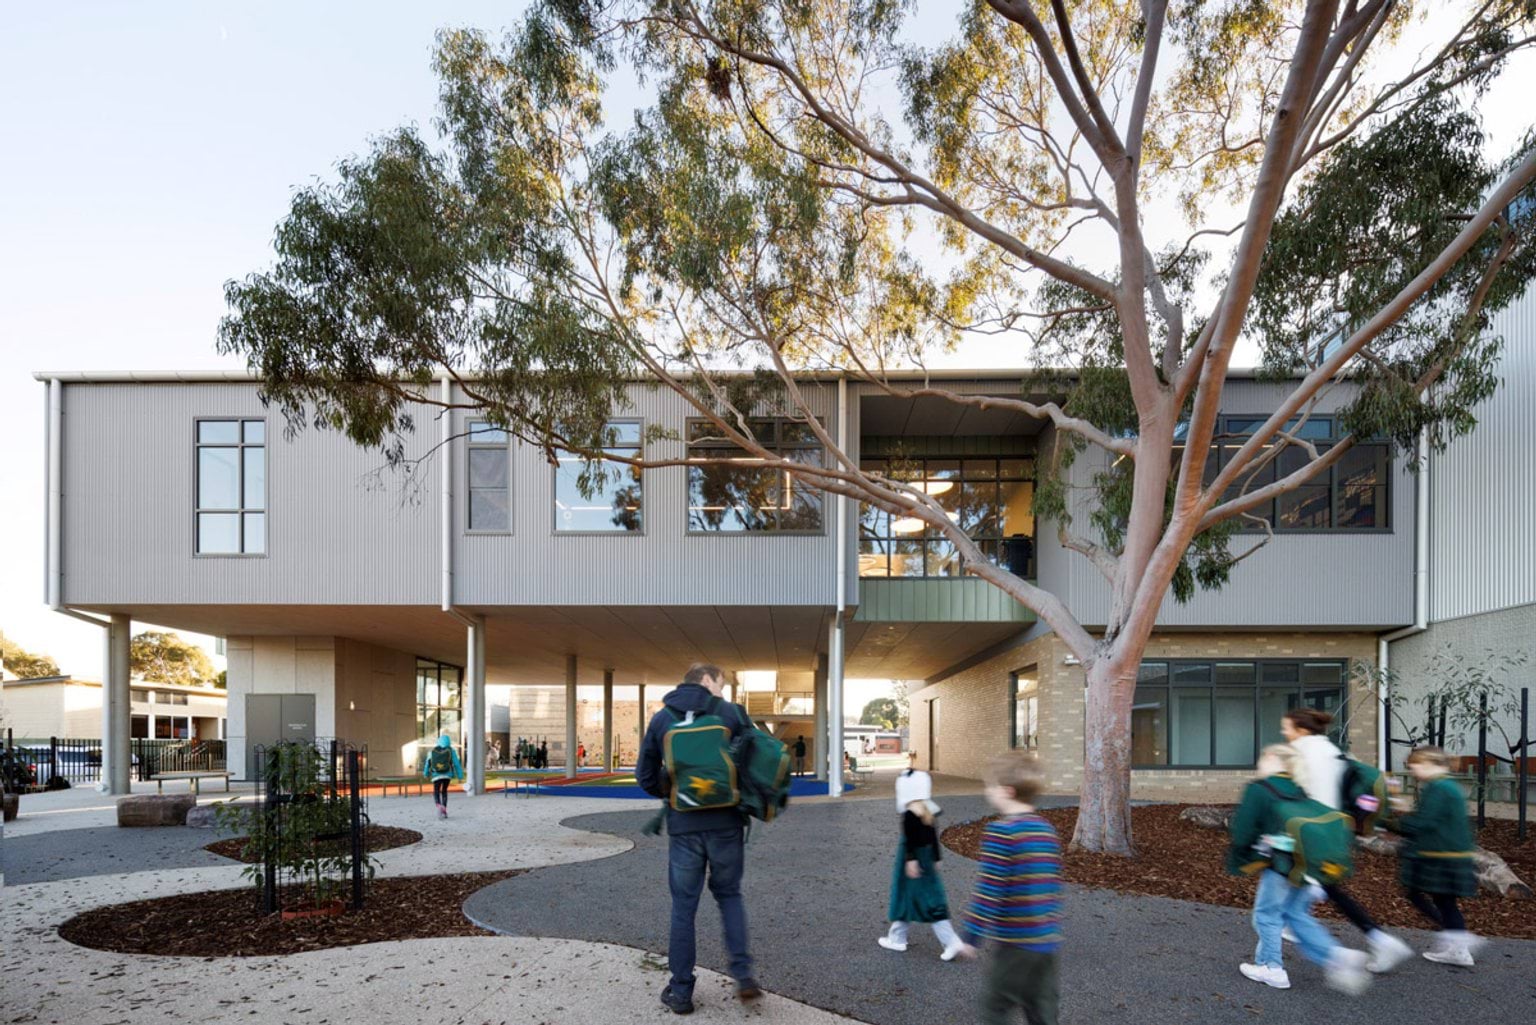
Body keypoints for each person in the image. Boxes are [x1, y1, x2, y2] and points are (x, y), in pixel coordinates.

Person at [637, 663, 760, 1015]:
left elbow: (644, 776)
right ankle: (743, 976)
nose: (723, 690)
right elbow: (755, 763)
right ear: (707, 680)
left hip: (684, 826)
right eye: (721, 683)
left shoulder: (662, 719)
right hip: (726, 824)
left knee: (683, 907)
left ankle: (680, 991)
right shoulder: (732, 714)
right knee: (730, 895)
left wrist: (673, 790)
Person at [1228, 743, 1371, 994]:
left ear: (1272, 758)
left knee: (1267, 915)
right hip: (1306, 863)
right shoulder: (1298, 789)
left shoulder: (1259, 789)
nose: (1259, 764)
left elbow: (1242, 832)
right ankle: (1336, 955)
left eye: (1262, 758)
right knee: (1295, 914)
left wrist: (1242, 855)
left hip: (1279, 863)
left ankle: (1271, 967)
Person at [1280, 708, 1413, 972]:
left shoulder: (1304, 753)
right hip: (1337, 830)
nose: (1284, 732)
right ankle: (1375, 939)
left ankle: (1349, 951)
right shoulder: (1332, 749)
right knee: (1324, 888)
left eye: (1287, 728)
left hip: (1316, 832)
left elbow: (1306, 797)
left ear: (1302, 730)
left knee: (1314, 889)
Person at [950, 751, 1062, 1025]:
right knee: (1042, 1010)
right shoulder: (1046, 830)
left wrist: (971, 938)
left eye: (990, 786)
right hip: (1047, 943)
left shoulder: (1003, 833)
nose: (987, 791)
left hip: (1017, 944)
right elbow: (1051, 885)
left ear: (1007, 791)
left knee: (995, 1007)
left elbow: (989, 891)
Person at [1388, 746, 1482, 966]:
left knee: (1422, 895)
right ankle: (1457, 942)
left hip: (1440, 855)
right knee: (1441, 899)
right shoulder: (1445, 786)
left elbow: (1423, 823)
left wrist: (1388, 822)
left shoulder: (1439, 788)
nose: (1413, 770)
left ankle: (1458, 942)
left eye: (1416, 765)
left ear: (1432, 764)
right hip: (1450, 853)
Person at [877, 757, 966, 961]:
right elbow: (933, 837)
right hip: (925, 858)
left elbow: (909, 841)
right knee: (912, 897)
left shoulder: (909, 814)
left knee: (926, 899)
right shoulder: (928, 810)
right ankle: (897, 937)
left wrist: (910, 860)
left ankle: (951, 941)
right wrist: (936, 858)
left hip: (913, 861)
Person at [422, 734, 463, 819]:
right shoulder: (451, 751)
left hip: (436, 775)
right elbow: (456, 764)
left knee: (436, 791)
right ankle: (444, 809)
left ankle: (438, 805)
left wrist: (425, 773)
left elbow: (428, 763)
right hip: (447, 775)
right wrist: (460, 776)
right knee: (444, 791)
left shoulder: (433, 751)